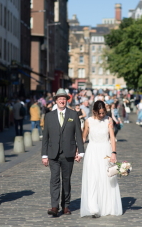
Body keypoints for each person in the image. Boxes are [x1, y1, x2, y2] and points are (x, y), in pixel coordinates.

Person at [41, 88, 84, 217]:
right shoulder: (49, 116)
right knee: (54, 180)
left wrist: (81, 152)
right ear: (56, 101)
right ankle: (54, 206)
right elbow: (45, 137)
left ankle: (66, 206)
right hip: (53, 153)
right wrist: (44, 155)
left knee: (66, 180)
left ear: (67, 100)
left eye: (64, 99)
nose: (62, 101)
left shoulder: (73, 115)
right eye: (59, 98)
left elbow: (78, 134)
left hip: (68, 153)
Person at [80, 100, 122, 218]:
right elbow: (83, 138)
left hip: (105, 151)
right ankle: (94, 207)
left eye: (104, 113)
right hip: (92, 152)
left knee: (106, 179)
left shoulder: (108, 120)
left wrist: (113, 153)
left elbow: (112, 137)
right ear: (94, 111)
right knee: (93, 178)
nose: (102, 115)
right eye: (100, 113)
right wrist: (77, 150)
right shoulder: (88, 121)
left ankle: (107, 206)